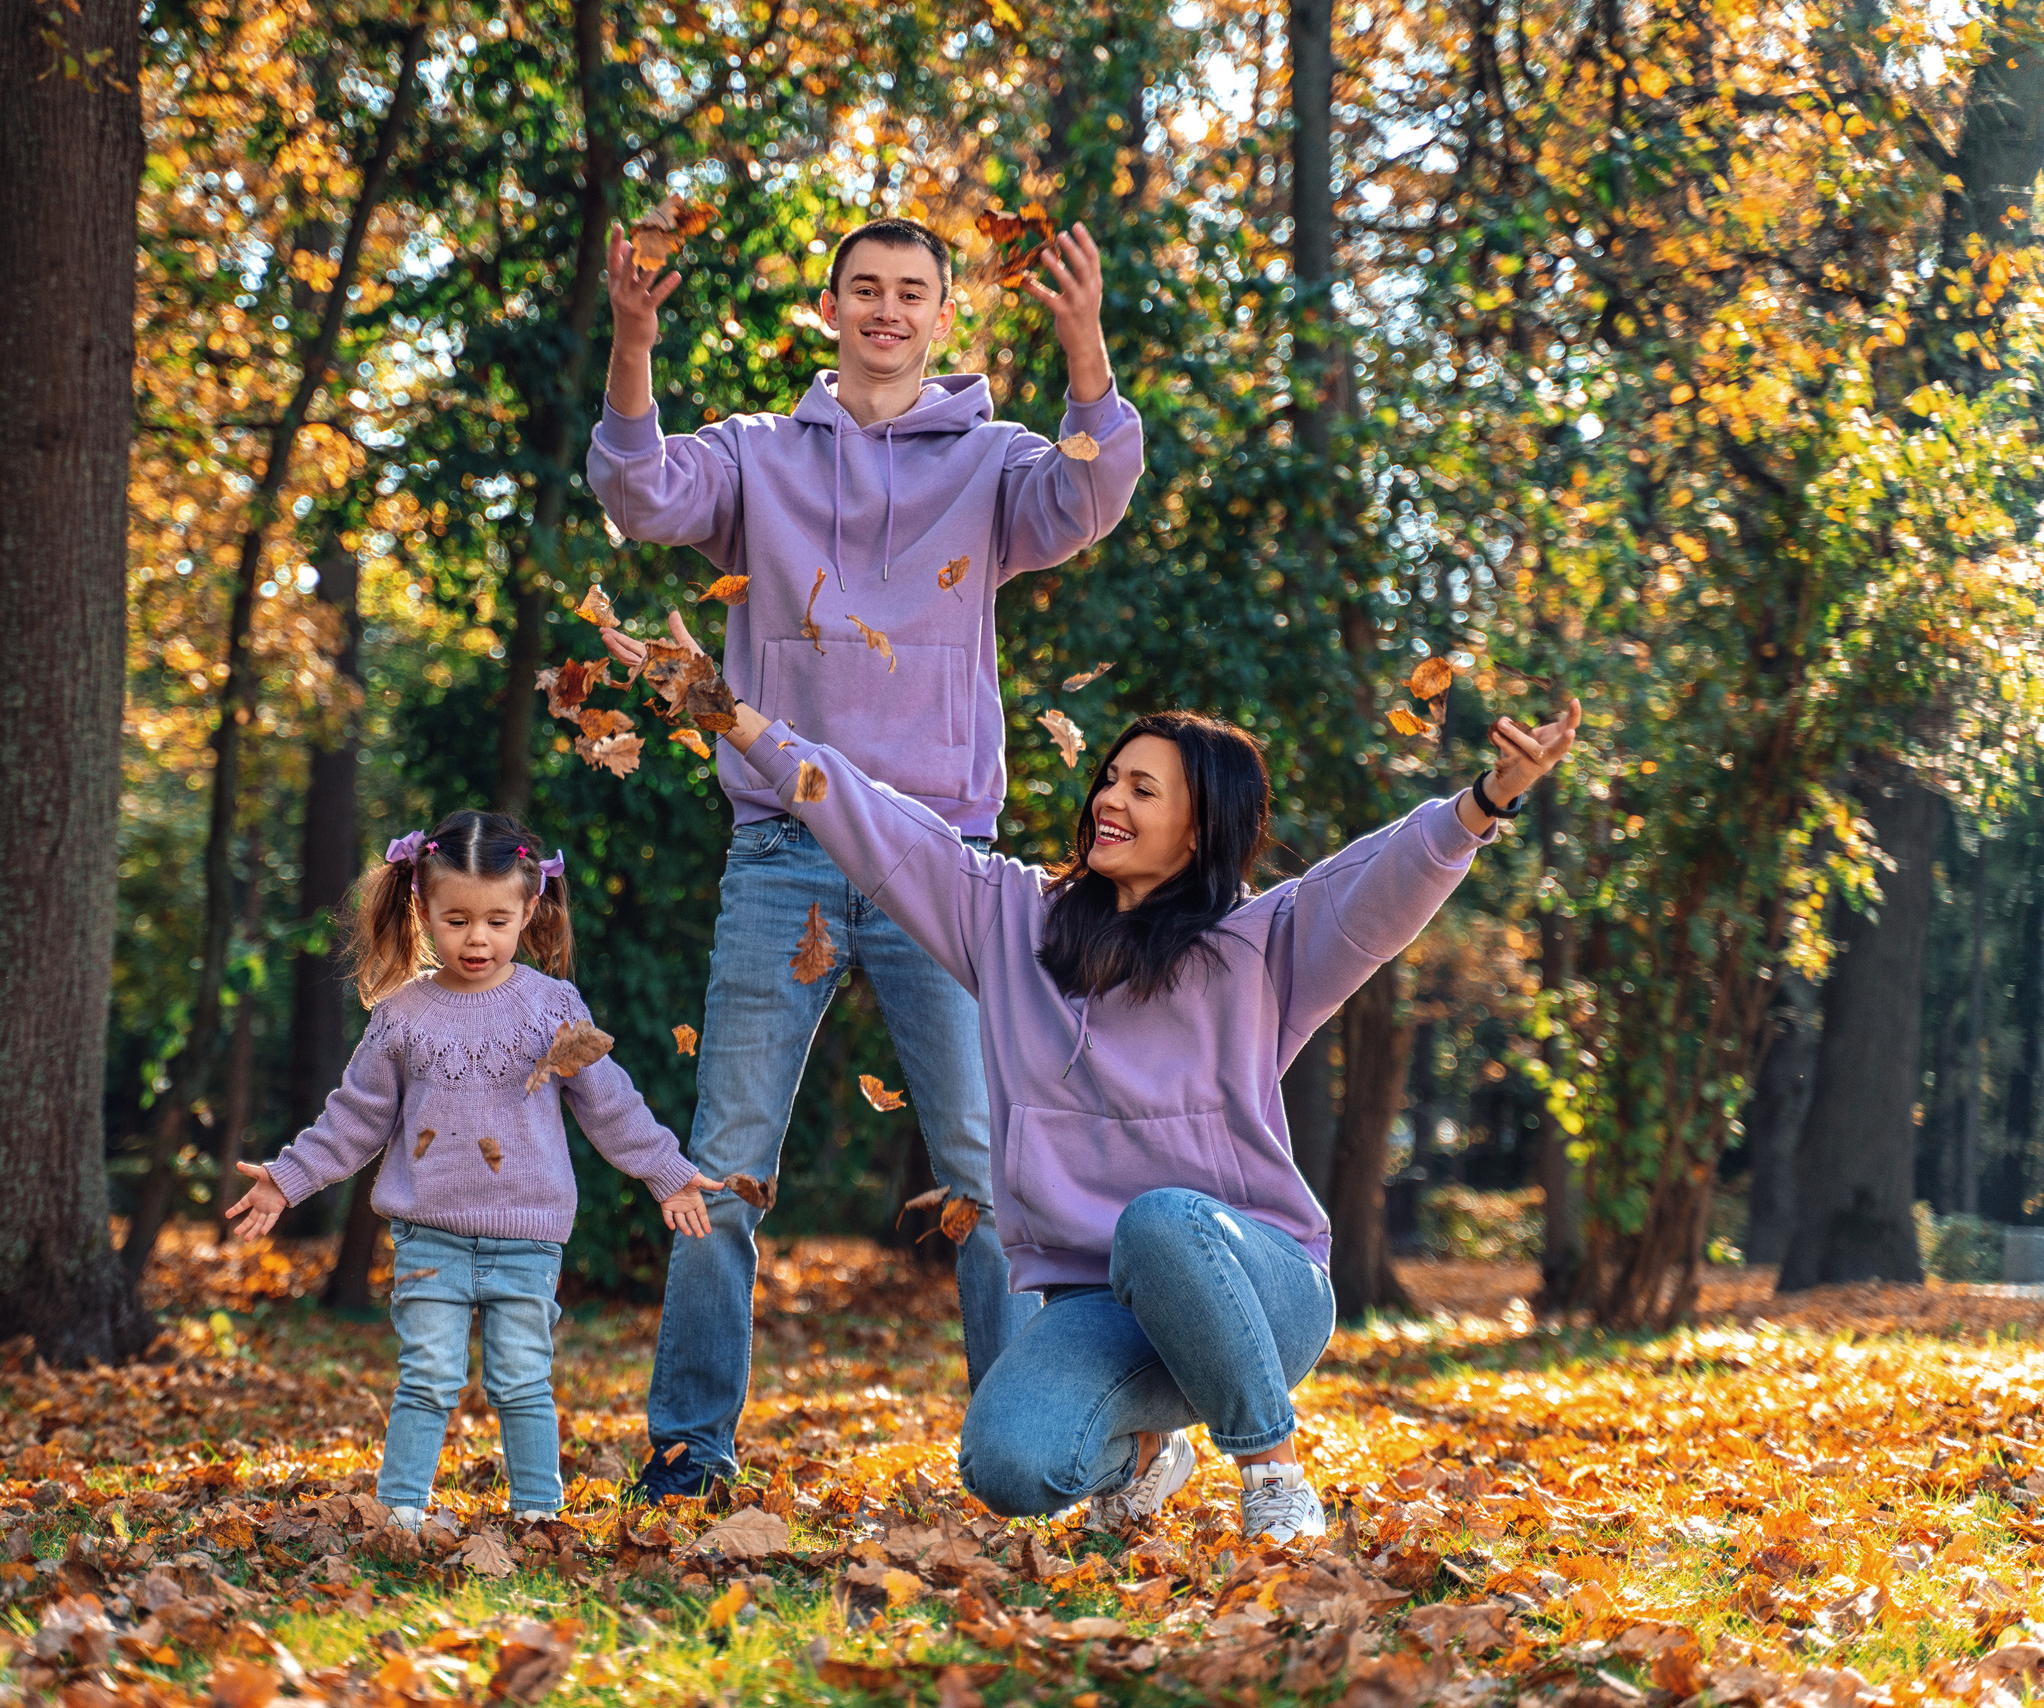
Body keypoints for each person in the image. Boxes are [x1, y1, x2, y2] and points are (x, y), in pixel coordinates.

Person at [644, 609, 1579, 1539]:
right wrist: (727, 713)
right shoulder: (1010, 918)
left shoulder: (1260, 946)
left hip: (1258, 1285)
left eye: (1144, 790)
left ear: (1201, 829)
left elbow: (1385, 879)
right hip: (1105, 1311)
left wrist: (1490, 798)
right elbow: (868, 816)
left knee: (1161, 1218)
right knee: (1007, 1465)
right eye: (1110, 780)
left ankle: (1273, 1472)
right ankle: (1146, 1452)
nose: (1109, 802)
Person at [587, 213, 1146, 1499]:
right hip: (782, 845)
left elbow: (1089, 495)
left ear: (942, 317)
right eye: (865, 290)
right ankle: (687, 1449)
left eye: (912, 292)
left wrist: (1085, 350)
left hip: (939, 859)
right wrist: (633, 341)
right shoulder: (759, 457)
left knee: (991, 1176)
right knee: (721, 1163)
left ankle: (1038, 1449)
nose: (887, 310)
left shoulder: (997, 463)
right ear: (829, 310)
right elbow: (637, 490)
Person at [225, 811, 718, 1529]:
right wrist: (287, 1176)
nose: (477, 939)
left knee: (522, 1381)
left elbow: (610, 1103)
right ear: (422, 911)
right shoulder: (401, 1015)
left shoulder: (553, 1008)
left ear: (529, 910)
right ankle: (399, 1516)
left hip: (527, 1238)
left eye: (495, 920)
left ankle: (539, 1518)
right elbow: (355, 1117)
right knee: (426, 1379)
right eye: (456, 920)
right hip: (430, 1239)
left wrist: (665, 1170)